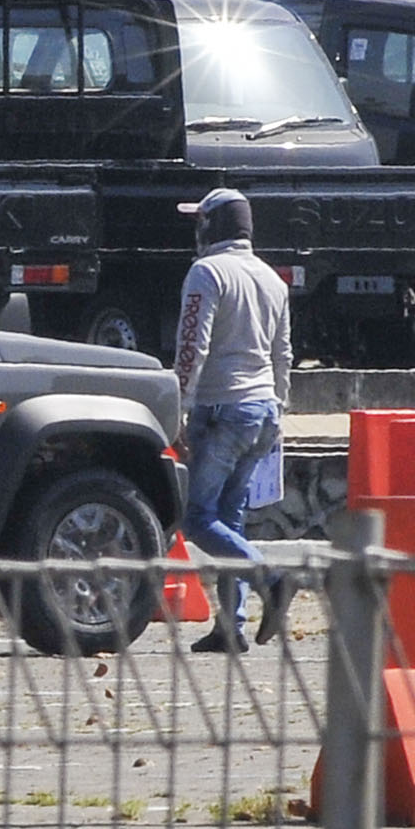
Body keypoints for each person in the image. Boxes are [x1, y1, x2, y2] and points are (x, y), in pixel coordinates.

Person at [171, 186, 290, 649]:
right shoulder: (272, 279)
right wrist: (280, 409)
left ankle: (270, 579)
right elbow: (283, 355)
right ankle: (230, 626)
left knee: (197, 519)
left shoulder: (206, 272)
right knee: (229, 519)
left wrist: (179, 407)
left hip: (222, 408)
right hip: (264, 410)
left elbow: (191, 347)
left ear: (211, 225)